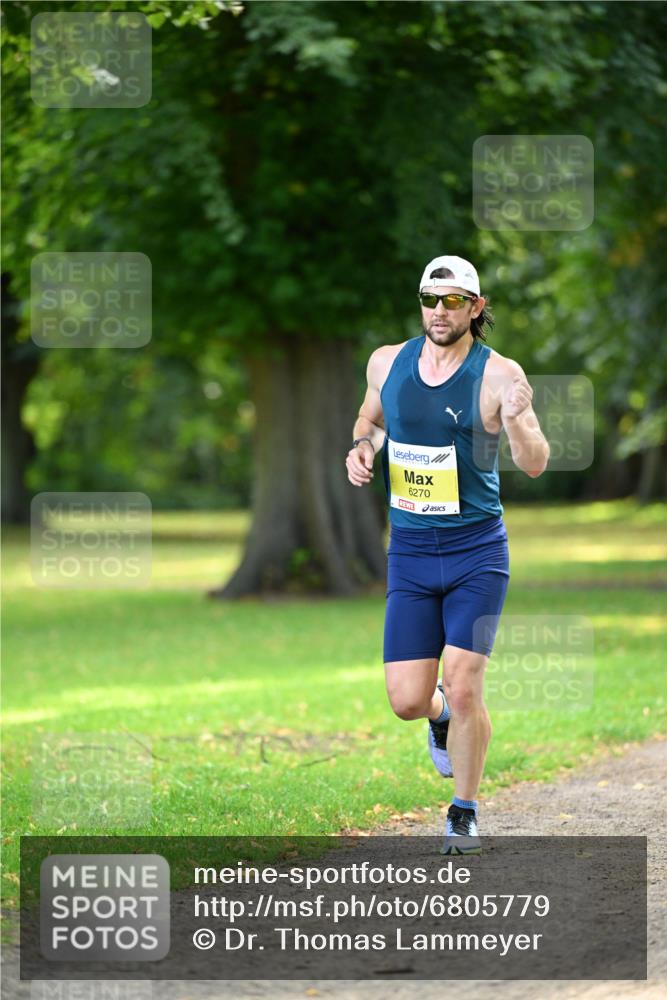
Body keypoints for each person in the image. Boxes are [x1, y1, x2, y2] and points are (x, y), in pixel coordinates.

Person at [346, 255, 549, 854]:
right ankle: (437, 718)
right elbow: (371, 416)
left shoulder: (498, 375)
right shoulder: (387, 361)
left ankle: (463, 811)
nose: (440, 310)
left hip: (475, 551)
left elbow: (534, 461)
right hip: (408, 550)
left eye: (454, 300)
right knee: (409, 699)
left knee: (464, 685)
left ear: (475, 308)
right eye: (430, 299)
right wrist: (362, 446)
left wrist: (516, 420)